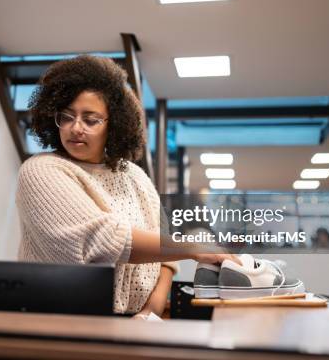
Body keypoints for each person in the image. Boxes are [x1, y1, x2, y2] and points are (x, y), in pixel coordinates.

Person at [16, 55, 239, 317]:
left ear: (114, 125)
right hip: (61, 320)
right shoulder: (41, 170)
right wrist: (191, 247)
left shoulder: (134, 176)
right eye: (67, 117)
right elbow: (100, 240)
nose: (76, 128)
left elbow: (164, 256)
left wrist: (151, 311)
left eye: (90, 119)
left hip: (137, 322)